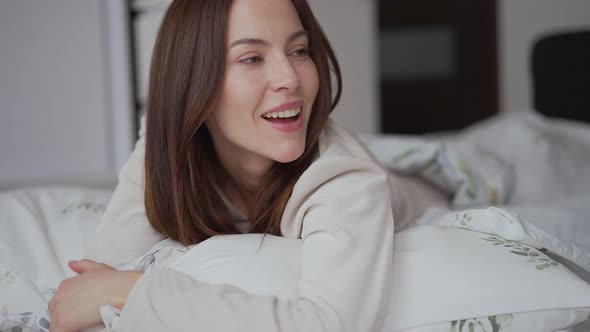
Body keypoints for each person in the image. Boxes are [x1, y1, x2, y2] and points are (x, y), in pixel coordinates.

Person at [48, 0, 448, 331]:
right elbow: (96, 281)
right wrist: (111, 287)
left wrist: (137, 293)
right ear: (191, 85)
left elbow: (327, 324)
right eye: (252, 57)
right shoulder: (165, 145)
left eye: (299, 50)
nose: (288, 77)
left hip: (423, 188)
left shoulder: (346, 182)